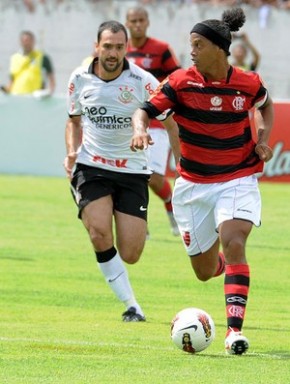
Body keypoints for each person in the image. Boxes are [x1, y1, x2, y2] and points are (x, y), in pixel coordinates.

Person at [131, 8, 274, 353]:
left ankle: (233, 333)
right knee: (204, 270)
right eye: (190, 44)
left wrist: (264, 136)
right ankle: (223, 269)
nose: (191, 50)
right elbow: (144, 110)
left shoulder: (247, 82)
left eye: (198, 44)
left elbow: (264, 104)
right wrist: (139, 130)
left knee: (234, 239)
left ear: (219, 49)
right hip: (193, 186)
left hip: (237, 176)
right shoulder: (181, 82)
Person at [63, 20, 179, 322]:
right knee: (99, 232)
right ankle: (132, 306)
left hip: (132, 170)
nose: (113, 52)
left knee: (131, 253)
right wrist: (72, 152)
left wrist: (183, 165)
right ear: (96, 47)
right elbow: (73, 121)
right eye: (107, 46)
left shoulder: (143, 80)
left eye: (118, 47)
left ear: (126, 48)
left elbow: (170, 122)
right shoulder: (79, 78)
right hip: (92, 166)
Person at [126, 6, 181, 236]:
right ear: (127, 23)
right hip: (127, 122)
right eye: (133, 21)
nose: (137, 24)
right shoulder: (119, 49)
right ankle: (140, 225)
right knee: (130, 174)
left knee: (153, 177)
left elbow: (177, 79)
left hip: (157, 121)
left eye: (141, 20)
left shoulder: (161, 50)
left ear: (147, 22)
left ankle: (170, 205)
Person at [2, 30, 55, 96]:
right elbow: (12, 79)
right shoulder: (14, 58)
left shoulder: (42, 57)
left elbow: (51, 77)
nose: (26, 43)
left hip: (34, 98)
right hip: (16, 96)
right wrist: (6, 90)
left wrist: (49, 92)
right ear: (20, 42)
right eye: (24, 41)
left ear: (34, 41)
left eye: (29, 40)